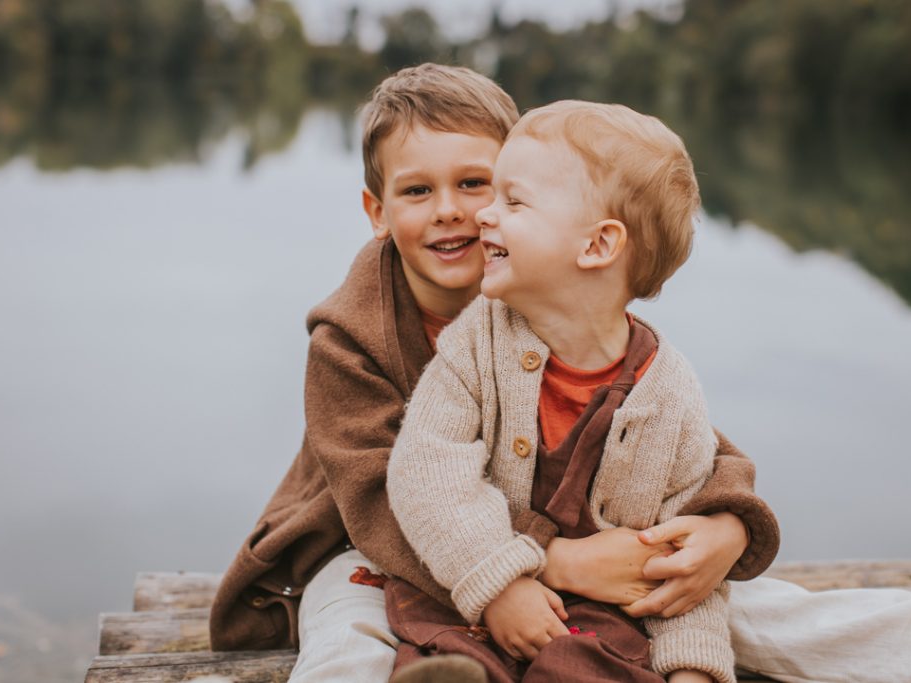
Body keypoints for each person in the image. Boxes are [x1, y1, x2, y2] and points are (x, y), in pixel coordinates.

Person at [208, 64, 780, 682]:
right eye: (417, 191)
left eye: (480, 185)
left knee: (736, 613)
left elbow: (683, 442)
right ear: (378, 210)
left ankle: (896, 642)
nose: (453, 211)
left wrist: (726, 532)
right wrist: (551, 562)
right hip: (374, 547)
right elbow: (381, 496)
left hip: (541, 552)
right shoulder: (348, 339)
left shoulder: (548, 300)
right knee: (350, 636)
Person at [385, 100, 734, 682]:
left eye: (512, 202)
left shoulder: (669, 396)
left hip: (599, 619)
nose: (483, 218)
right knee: (445, 654)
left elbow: (679, 568)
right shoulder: (474, 341)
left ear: (597, 246)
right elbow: (426, 474)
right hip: (471, 594)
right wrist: (498, 582)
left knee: (593, 664)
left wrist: (693, 670)